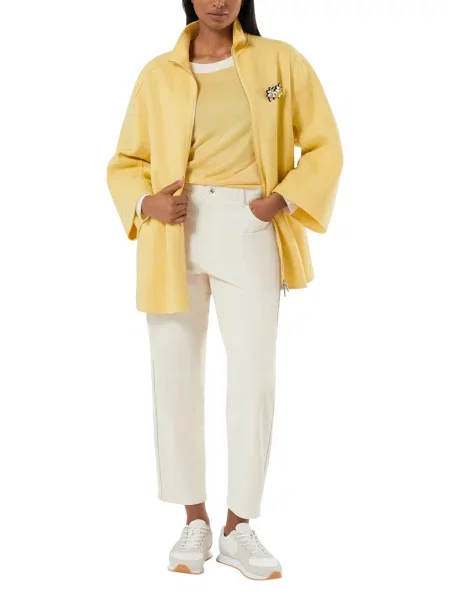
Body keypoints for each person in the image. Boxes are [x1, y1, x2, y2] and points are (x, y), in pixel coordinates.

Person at [106, 0, 343, 580]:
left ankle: (239, 527)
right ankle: (194, 518)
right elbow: (125, 160)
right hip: (173, 231)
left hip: (248, 225)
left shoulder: (279, 62)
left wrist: (277, 200)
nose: (219, 1)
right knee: (175, 374)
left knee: (254, 377)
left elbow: (324, 146)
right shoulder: (158, 74)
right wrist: (146, 203)